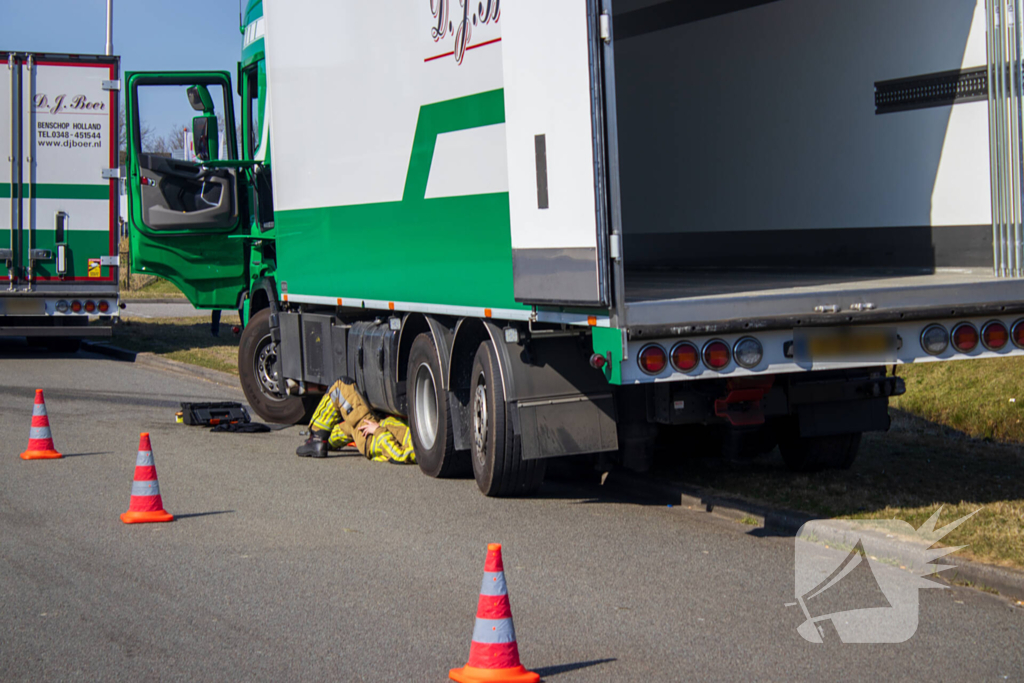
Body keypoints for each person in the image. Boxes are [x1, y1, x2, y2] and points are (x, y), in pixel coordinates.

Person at [296, 377, 416, 464]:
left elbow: (398, 456)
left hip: (370, 437)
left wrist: (378, 430)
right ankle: (325, 443)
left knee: (341, 387)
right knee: (350, 426)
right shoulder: (425, 443)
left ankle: (317, 437)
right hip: (373, 429)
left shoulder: (420, 451)